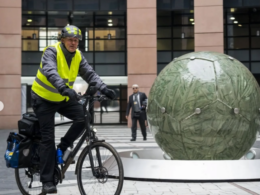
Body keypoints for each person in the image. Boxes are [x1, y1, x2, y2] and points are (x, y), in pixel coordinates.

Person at [31, 25, 116, 194]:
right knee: (47, 139)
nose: (73, 43)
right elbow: (50, 71)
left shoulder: (77, 55)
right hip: (43, 99)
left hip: (62, 98)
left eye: (76, 40)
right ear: (62, 40)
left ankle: (62, 147)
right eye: (70, 39)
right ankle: (47, 181)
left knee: (83, 117)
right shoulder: (51, 51)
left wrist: (104, 88)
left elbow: (90, 74)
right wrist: (63, 88)